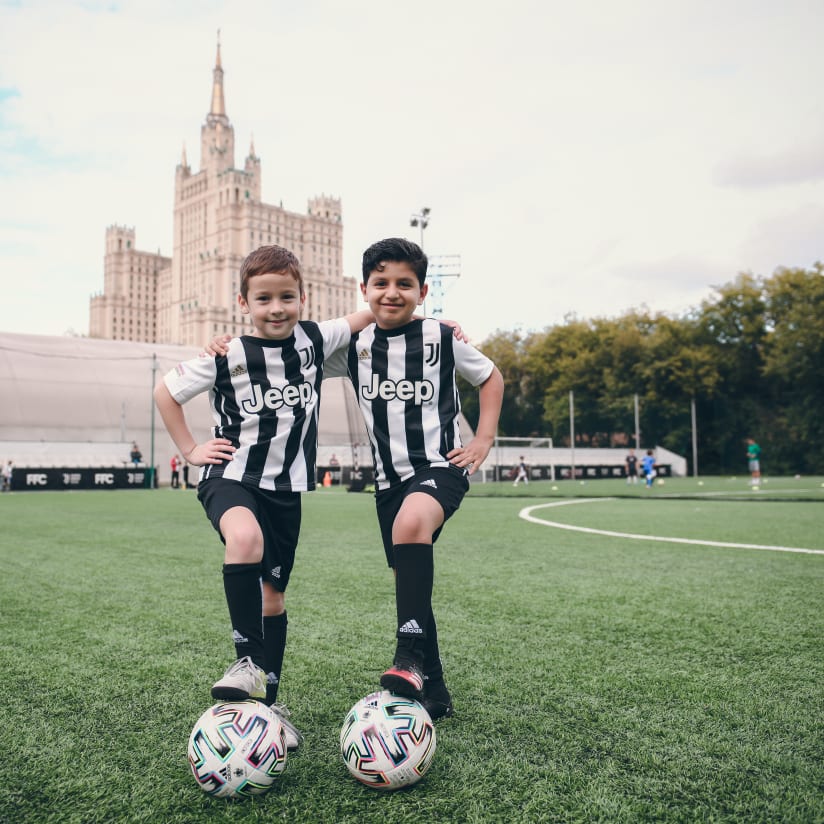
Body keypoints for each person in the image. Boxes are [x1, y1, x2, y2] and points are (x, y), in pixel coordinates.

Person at [154, 244, 375, 751]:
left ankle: (269, 703)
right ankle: (246, 662)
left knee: (273, 596)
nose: (276, 308)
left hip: (286, 490)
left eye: (286, 297)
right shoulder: (226, 354)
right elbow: (165, 393)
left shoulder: (317, 340)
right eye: (264, 299)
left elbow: (379, 309)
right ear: (242, 302)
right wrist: (190, 448)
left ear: (303, 297)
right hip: (229, 475)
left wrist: (443, 327)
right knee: (244, 538)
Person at [327, 237, 504, 721]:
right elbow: (295, 348)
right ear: (363, 289)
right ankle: (436, 686)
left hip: (441, 467)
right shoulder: (355, 348)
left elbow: (491, 377)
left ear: (423, 290)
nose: (392, 292)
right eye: (380, 283)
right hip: (388, 481)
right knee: (410, 580)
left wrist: (484, 439)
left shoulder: (442, 339)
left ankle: (407, 658)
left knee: (410, 528)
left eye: (404, 284)